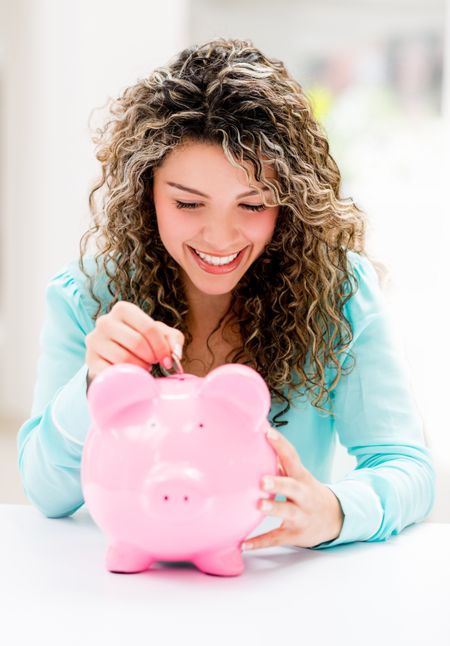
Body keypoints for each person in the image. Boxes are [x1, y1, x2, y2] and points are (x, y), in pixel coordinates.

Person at [17, 37, 435, 551]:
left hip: (276, 592)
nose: (221, 238)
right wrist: (90, 386)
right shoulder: (86, 295)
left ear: (289, 202)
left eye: (253, 204)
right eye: (189, 204)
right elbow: (43, 491)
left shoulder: (337, 293)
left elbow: (407, 466)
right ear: (148, 192)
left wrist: (336, 510)